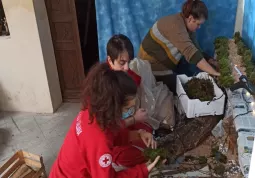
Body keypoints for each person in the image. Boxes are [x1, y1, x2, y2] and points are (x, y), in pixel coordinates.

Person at [49, 63, 161, 178]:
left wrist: (137, 134)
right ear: (113, 107)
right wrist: (143, 170)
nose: (131, 112)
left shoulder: (91, 111)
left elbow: (110, 132)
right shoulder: (99, 142)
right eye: (127, 109)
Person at [138, 0, 220, 94]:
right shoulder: (176, 27)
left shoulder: (186, 25)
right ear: (190, 18)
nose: (199, 27)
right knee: (182, 90)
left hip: (163, 61)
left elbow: (196, 49)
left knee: (185, 85)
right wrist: (215, 73)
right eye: (198, 24)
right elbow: (192, 54)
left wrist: (211, 61)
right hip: (151, 64)